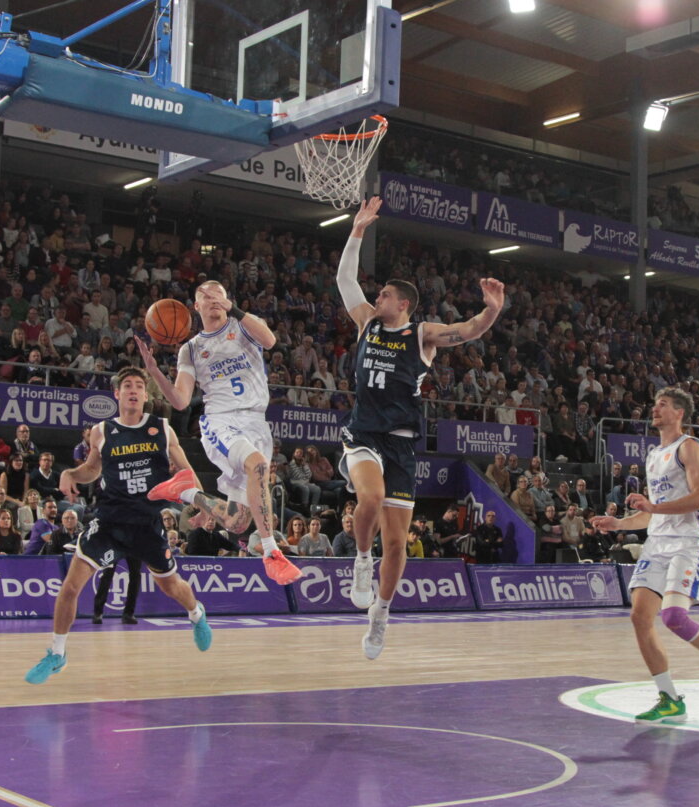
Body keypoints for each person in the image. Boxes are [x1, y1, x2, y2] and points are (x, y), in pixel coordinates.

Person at [335, 198, 505, 659]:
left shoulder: (421, 334)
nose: (377, 299)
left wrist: (490, 310)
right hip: (363, 433)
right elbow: (344, 280)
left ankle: (381, 618)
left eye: (385, 295)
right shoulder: (367, 324)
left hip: (402, 445)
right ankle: (360, 561)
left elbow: (467, 330)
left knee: (398, 544)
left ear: (403, 303)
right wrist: (356, 232)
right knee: (367, 499)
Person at [25, 367, 212, 684]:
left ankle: (197, 614)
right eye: (127, 385)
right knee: (70, 586)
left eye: (139, 385)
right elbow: (91, 470)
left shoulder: (162, 429)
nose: (134, 390)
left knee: (170, 585)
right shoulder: (102, 430)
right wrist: (71, 474)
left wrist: (203, 505)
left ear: (146, 395)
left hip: (147, 523)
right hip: (109, 522)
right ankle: (57, 653)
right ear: (117, 394)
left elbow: (188, 473)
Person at [590, 387, 699, 723]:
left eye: (662, 405)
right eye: (654, 404)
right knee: (639, 616)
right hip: (657, 544)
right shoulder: (652, 456)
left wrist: (655, 506)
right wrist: (618, 523)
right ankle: (669, 697)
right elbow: (651, 514)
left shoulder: (689, 447)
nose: (655, 409)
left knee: (674, 618)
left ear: (679, 413)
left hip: (687, 542)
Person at [140, 281, 301, 586]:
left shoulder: (245, 325)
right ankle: (271, 553)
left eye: (218, 295)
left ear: (227, 301)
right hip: (220, 421)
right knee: (258, 466)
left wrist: (235, 311)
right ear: (196, 306)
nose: (212, 299)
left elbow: (270, 341)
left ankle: (187, 490)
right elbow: (180, 401)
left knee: (237, 522)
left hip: (257, 423)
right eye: (205, 295)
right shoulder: (190, 349)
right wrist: (154, 371)